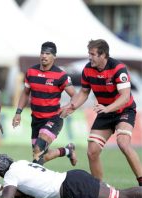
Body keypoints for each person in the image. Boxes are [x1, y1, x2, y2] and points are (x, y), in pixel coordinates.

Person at [61, 39, 142, 186]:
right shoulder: (87, 69)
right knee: (92, 151)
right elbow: (84, 92)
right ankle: (98, 189)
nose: (89, 57)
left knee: (123, 143)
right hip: (105, 112)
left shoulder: (118, 68)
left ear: (103, 55)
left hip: (124, 110)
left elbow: (125, 97)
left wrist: (107, 108)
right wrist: (72, 106)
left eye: (92, 54)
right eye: (89, 54)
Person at [12, 41, 77, 166]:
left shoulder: (60, 75)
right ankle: (68, 150)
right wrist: (18, 112)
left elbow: (75, 95)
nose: (44, 56)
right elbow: (25, 93)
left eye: (48, 53)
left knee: (38, 150)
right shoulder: (31, 72)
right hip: (36, 119)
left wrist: (69, 108)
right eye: (42, 53)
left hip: (54, 118)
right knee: (39, 158)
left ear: (54, 57)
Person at [0, 154, 142, 198]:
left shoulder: (10, 175)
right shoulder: (21, 164)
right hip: (73, 177)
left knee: (122, 197)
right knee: (118, 193)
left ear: (1, 173)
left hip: (72, 186)